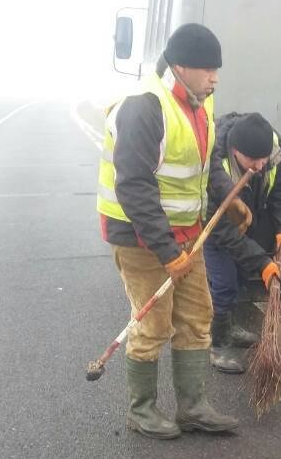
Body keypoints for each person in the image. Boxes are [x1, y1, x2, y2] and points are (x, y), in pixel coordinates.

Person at [96, 22, 239, 438]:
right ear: (180, 67)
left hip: (187, 234)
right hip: (140, 237)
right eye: (208, 69)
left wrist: (231, 197)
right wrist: (167, 251)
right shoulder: (145, 106)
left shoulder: (201, 102)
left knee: (197, 318)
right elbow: (134, 187)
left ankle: (193, 407)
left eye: (217, 69)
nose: (215, 77)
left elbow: (208, 159)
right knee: (154, 323)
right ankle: (142, 411)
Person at [204, 112, 281, 373]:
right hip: (216, 229)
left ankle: (229, 327)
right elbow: (220, 228)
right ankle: (218, 343)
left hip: (248, 220)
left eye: (262, 158)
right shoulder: (215, 166)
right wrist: (262, 262)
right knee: (223, 282)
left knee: (241, 277)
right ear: (234, 151)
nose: (259, 165)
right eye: (252, 160)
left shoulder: (271, 154)